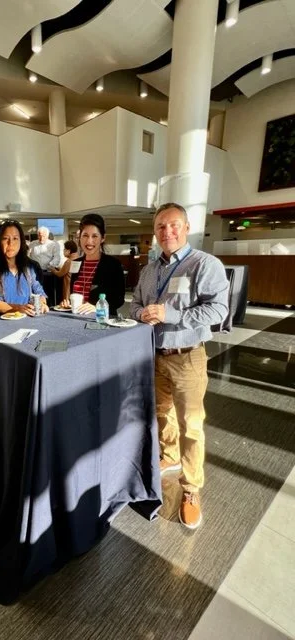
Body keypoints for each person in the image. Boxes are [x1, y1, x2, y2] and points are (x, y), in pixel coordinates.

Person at [130, 203, 229, 530]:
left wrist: (170, 314)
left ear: (186, 228)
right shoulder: (148, 270)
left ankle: (191, 488)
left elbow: (218, 311)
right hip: (154, 354)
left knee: (192, 424)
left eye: (173, 225)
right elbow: (135, 305)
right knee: (162, 414)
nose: (167, 232)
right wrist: (141, 314)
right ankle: (169, 456)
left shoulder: (204, 264)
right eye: (160, 227)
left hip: (188, 356)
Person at [61, 213, 125, 315]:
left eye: (95, 236)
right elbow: (75, 293)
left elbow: (119, 299)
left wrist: (97, 307)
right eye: (85, 235)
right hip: (76, 319)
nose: (89, 241)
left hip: (101, 320)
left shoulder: (113, 264)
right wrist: (69, 302)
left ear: (102, 238)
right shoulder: (76, 263)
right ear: (80, 237)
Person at [0, 219, 49, 316]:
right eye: (5, 238)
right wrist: (18, 308)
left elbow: (39, 292)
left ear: (21, 241)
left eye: (15, 238)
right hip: (3, 322)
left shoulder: (31, 266)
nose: (10, 243)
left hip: (28, 320)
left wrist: (42, 304)